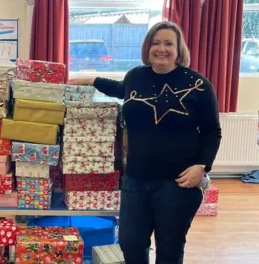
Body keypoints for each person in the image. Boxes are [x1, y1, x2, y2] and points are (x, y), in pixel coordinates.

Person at [68, 21, 222, 263]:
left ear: (179, 49)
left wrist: (202, 166)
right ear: (147, 47)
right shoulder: (136, 76)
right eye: (155, 42)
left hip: (177, 182)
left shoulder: (198, 84)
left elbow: (213, 131)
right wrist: (91, 80)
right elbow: (121, 89)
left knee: (169, 247)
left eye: (168, 43)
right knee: (130, 242)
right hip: (136, 180)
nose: (161, 48)